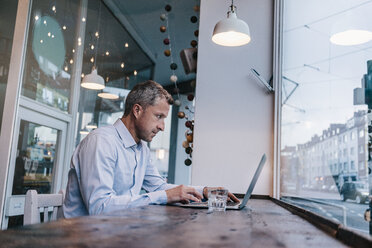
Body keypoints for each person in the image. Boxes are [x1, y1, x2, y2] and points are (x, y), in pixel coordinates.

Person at [63, 80, 238, 218]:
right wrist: (165, 196)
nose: (162, 127)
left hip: (117, 232)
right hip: (82, 238)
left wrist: (204, 191)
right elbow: (100, 208)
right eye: (158, 116)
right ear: (137, 110)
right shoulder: (101, 142)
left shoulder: (141, 149)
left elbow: (158, 187)